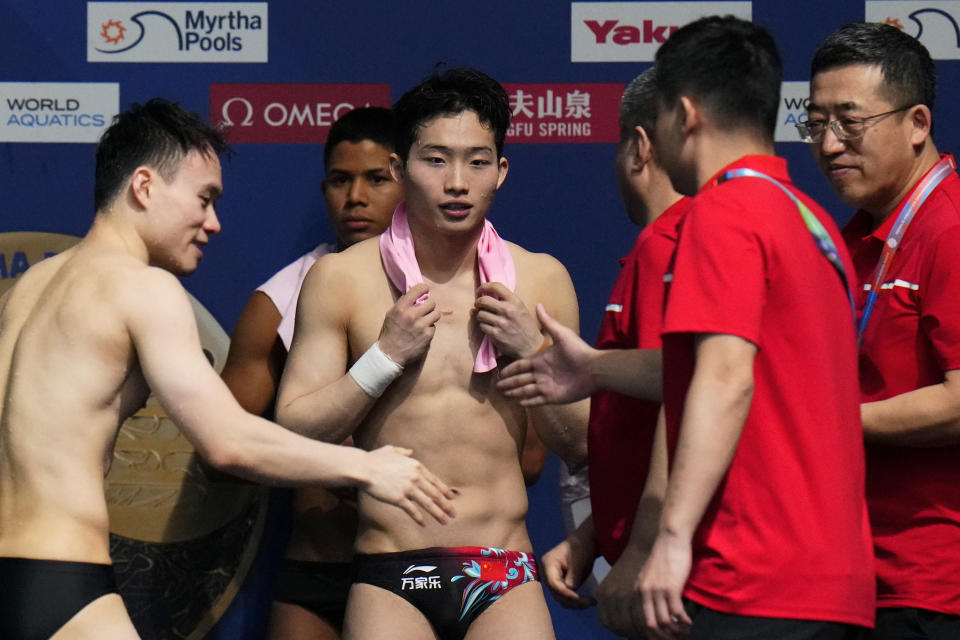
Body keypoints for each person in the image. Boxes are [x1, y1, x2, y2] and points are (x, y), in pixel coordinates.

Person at [0, 98, 455, 640]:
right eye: (204, 199)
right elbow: (227, 442)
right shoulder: (143, 287)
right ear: (144, 187)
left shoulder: (30, 288)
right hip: (62, 579)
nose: (214, 223)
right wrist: (368, 468)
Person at [275, 67, 587, 640]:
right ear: (400, 168)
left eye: (477, 161)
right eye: (436, 160)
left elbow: (585, 446)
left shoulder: (542, 280)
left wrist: (531, 355)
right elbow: (293, 432)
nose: (457, 183)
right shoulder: (342, 278)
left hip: (504, 570)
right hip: (392, 569)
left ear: (502, 171)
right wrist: (383, 357)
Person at [637, 16, 874, 639]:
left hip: (750, 579)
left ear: (684, 115)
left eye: (659, 120)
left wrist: (672, 534)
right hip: (836, 586)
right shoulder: (815, 224)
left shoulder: (720, 213)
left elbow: (725, 376)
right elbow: (768, 371)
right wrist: (588, 369)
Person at [497, 68, 690, 637]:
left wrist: (640, 548)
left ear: (640, 147)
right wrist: (595, 535)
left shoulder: (669, 244)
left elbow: (686, 404)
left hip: (673, 571)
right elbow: (629, 422)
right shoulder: (658, 246)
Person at [221, 106, 405, 640]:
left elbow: (527, 461)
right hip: (317, 569)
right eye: (340, 181)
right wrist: (329, 461)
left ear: (410, 179)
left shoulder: (458, 291)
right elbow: (224, 454)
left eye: (377, 179)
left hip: (421, 565)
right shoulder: (277, 304)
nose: (356, 198)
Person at [805, 22, 960, 639]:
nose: (831, 144)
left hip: (931, 583)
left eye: (850, 121)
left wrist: (825, 423)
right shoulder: (851, 238)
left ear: (917, 123)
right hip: (851, 573)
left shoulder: (948, 231)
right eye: (816, 124)